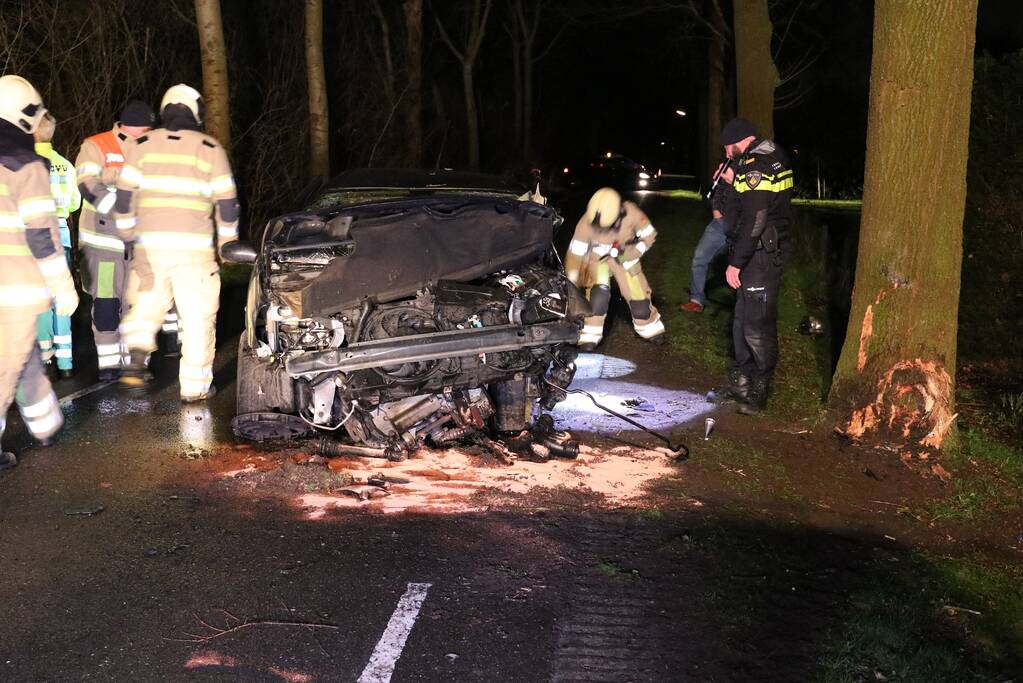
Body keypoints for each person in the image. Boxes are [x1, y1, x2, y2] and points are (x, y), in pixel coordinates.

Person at [115, 84, 239, 402]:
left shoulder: (141, 145)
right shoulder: (209, 148)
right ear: (196, 112)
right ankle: (194, 388)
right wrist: (228, 244)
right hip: (193, 251)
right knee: (198, 318)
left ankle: (137, 356)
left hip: (150, 247)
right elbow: (227, 204)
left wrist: (129, 234)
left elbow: (125, 196)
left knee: (146, 306)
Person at [0, 75, 79, 469]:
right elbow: (41, 236)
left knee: (23, 356)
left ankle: (46, 424)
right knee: (5, 367)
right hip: (12, 287)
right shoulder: (26, 163)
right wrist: (63, 286)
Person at [708, 118, 793, 414]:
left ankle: (759, 391)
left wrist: (736, 263)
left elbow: (756, 220)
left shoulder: (758, 164)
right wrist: (732, 182)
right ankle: (740, 384)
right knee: (741, 322)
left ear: (737, 141)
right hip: (754, 253)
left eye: (727, 147)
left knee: (757, 326)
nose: (726, 153)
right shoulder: (757, 159)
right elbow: (744, 207)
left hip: (760, 256)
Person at [75, 99, 155, 380]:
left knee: (138, 304)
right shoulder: (97, 145)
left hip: (140, 244)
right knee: (107, 304)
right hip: (103, 244)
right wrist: (122, 206)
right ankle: (109, 364)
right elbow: (87, 185)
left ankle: (135, 362)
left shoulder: (153, 146)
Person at [564, 187, 665, 350]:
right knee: (598, 296)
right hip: (600, 261)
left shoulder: (631, 213)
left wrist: (633, 252)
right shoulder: (586, 222)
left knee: (639, 298)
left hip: (625, 258)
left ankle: (650, 328)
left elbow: (649, 235)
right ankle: (590, 335)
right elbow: (576, 253)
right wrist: (572, 280)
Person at [33, 112, 81, 378]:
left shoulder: (23, 163)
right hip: (60, 236)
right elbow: (74, 203)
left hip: (35, 239)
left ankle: (46, 358)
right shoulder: (65, 164)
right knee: (62, 299)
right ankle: (66, 364)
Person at [679, 160, 737, 313]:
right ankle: (696, 300)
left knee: (743, 264)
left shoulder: (751, 165)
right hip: (720, 223)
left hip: (741, 225)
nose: (726, 152)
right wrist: (716, 212)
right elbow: (717, 190)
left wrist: (735, 180)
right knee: (699, 258)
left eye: (728, 147)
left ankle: (746, 306)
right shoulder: (727, 164)